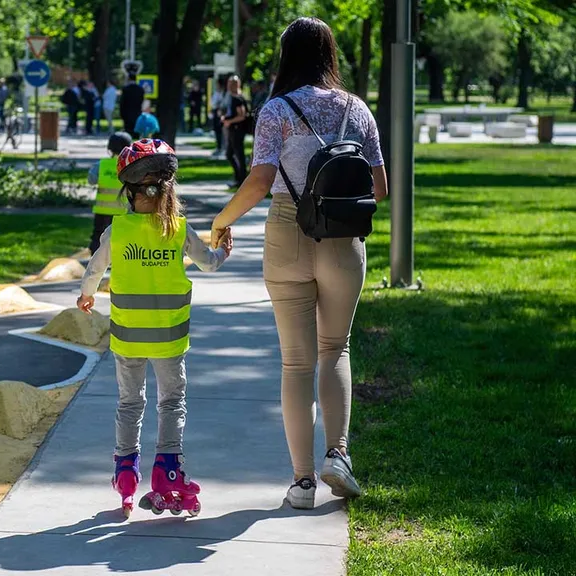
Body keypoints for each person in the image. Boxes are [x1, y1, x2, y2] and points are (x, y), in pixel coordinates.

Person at [210, 16, 388, 511]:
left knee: (295, 363)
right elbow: (380, 188)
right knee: (336, 348)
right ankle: (339, 454)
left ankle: (303, 483)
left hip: (287, 232)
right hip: (343, 237)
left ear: (288, 57)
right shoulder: (358, 110)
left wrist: (222, 220)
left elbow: (261, 180)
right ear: (330, 55)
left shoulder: (275, 111)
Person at [77, 138, 232, 518]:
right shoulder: (178, 228)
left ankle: (126, 474)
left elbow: (94, 269)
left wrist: (86, 296)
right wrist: (224, 248)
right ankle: (168, 471)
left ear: (128, 192)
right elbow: (209, 263)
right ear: (167, 188)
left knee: (130, 403)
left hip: (127, 336)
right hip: (169, 338)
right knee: (171, 402)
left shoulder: (118, 231)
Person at [86, 131, 132, 253]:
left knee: (98, 235)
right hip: (121, 210)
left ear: (110, 148)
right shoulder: (129, 166)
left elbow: (91, 180)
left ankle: (95, 257)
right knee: (118, 235)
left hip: (102, 208)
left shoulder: (101, 165)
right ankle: (117, 257)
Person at [223, 75, 250, 187]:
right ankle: (238, 177)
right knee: (230, 154)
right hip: (232, 129)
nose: (228, 86)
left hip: (237, 129)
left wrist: (230, 121)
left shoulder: (238, 98)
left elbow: (242, 115)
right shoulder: (233, 96)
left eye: (230, 84)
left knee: (239, 154)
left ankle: (241, 179)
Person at [210, 76, 229, 157]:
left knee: (222, 131)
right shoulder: (217, 92)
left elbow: (223, 103)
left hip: (222, 112)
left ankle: (223, 148)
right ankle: (219, 147)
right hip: (216, 112)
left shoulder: (225, 93)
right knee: (217, 130)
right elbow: (213, 103)